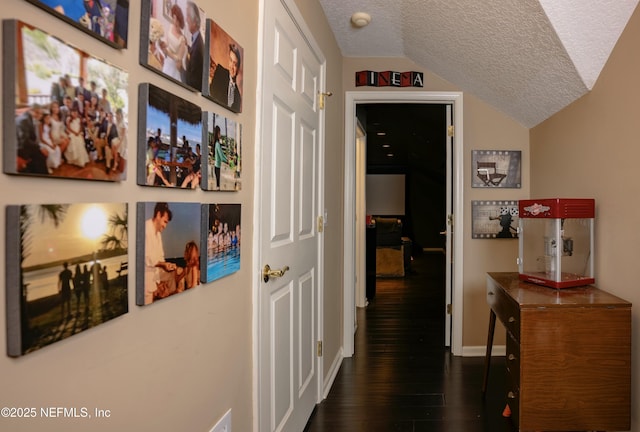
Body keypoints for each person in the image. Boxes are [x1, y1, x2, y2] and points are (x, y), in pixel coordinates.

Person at [144, 202, 178, 304]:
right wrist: (163, 265)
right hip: (145, 278)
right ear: (158, 215)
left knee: (175, 272)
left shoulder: (158, 234)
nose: (165, 226)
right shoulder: (145, 229)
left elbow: (160, 256)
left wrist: (168, 265)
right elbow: (148, 258)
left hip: (155, 275)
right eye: (165, 222)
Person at [16, 104, 48, 174]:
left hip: (24, 144)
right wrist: (39, 147)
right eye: (36, 112)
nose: (39, 115)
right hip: (19, 148)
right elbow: (24, 141)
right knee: (41, 156)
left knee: (42, 154)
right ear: (30, 110)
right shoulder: (24, 120)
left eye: (40, 113)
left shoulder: (28, 117)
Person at [209, 43, 242, 112]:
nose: (232, 66)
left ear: (238, 69)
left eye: (235, 63)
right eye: (230, 60)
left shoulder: (238, 97)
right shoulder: (219, 73)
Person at [160, 5, 188, 82]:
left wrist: (168, 53)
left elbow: (179, 58)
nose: (174, 21)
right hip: (167, 63)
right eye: (173, 17)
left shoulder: (182, 39)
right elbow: (167, 42)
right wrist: (163, 45)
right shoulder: (170, 27)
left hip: (174, 66)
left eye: (175, 18)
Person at [184, 1, 203, 89]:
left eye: (188, 16)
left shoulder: (198, 48)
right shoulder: (197, 41)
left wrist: (181, 68)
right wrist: (187, 47)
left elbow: (193, 82)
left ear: (194, 22)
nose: (186, 19)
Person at [212, 126, 227, 190]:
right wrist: (227, 161)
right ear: (217, 133)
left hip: (217, 167)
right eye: (219, 133)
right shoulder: (217, 144)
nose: (220, 134)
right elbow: (221, 157)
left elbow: (222, 154)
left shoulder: (217, 143)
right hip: (217, 167)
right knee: (218, 187)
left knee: (218, 186)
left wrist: (227, 159)